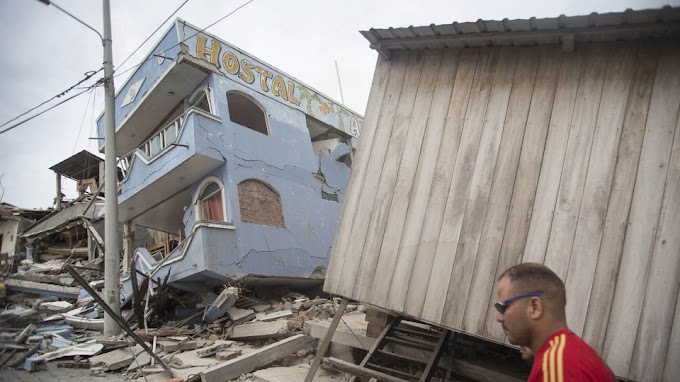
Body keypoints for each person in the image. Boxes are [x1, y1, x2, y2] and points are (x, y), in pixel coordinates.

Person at [495, 263, 616, 381]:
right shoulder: (571, 355)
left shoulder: (558, 367)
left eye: (503, 307)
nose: (498, 318)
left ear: (535, 307)